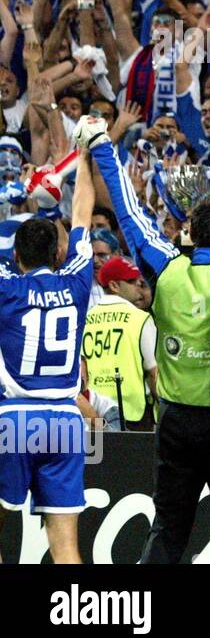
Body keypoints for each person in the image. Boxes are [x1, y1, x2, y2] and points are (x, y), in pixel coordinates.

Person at [83, 115, 210, 565]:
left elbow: (128, 211)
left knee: (168, 533)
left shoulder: (166, 268)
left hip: (177, 423)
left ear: (190, 233)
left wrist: (103, 144)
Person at [0, 151, 95, 564]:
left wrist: (15, 195)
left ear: (16, 259)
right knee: (67, 548)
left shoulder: (8, 289)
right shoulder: (76, 282)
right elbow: (83, 212)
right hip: (66, 422)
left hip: (16, 418)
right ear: (58, 255)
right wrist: (87, 153)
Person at [80, 256, 157, 431]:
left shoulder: (84, 319)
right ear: (114, 286)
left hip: (94, 411)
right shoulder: (140, 318)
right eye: (131, 281)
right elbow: (154, 374)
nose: (138, 286)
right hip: (133, 415)